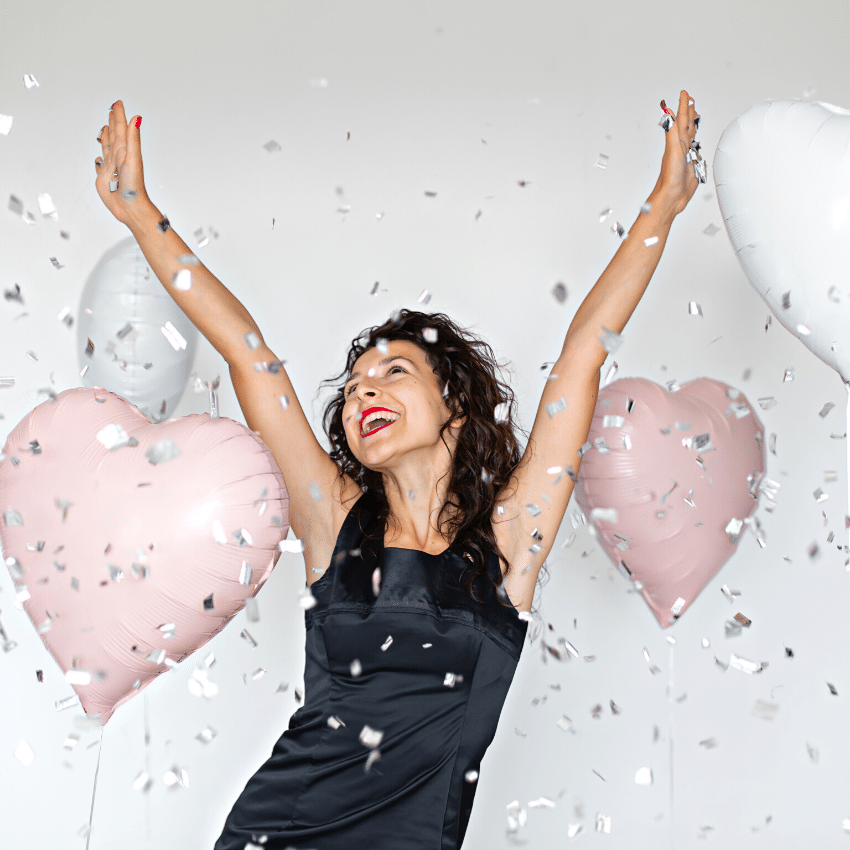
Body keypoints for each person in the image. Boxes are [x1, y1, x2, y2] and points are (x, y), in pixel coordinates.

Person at [94, 92, 702, 849]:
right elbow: (249, 355)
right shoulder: (331, 520)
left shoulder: (510, 541)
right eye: (352, 388)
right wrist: (139, 212)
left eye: (393, 373)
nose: (363, 392)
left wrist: (663, 206)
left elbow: (583, 353)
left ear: (454, 407)